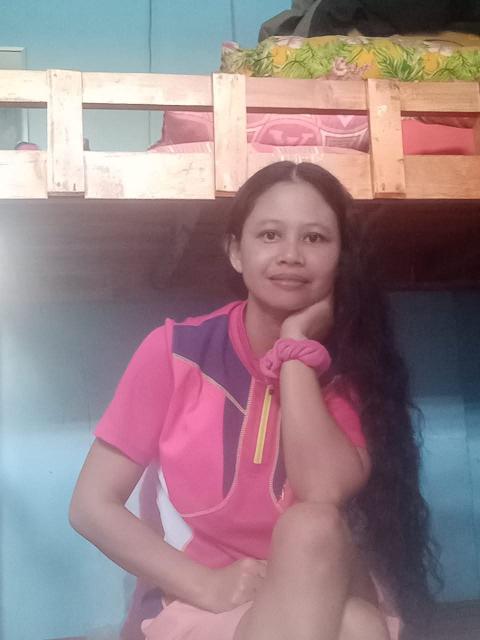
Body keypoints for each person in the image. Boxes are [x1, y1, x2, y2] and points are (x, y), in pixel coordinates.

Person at [70, 161, 439, 640]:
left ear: (341, 257)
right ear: (236, 252)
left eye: (315, 238)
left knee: (312, 527)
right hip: (201, 600)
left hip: (322, 583)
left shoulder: (356, 370)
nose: (291, 255)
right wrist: (205, 584)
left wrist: (295, 348)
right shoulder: (175, 353)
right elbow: (92, 504)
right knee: (359, 626)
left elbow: (321, 491)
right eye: (269, 235)